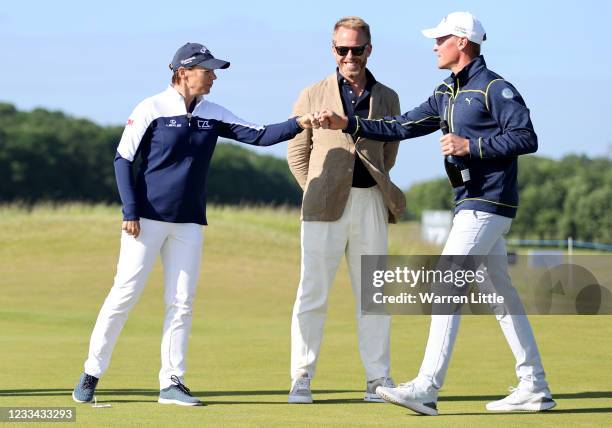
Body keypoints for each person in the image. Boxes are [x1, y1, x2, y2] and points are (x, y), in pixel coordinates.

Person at [317, 12, 556, 415]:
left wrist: (470, 147)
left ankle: (427, 387)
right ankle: (534, 384)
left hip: (488, 202)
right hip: (470, 201)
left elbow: (525, 136)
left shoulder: (494, 88)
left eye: (440, 39)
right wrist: (351, 123)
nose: (433, 46)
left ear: (462, 42)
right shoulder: (446, 91)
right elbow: (401, 125)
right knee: (500, 295)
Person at [72, 42, 316, 406]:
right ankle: (90, 374)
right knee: (124, 294)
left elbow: (260, 134)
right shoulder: (151, 108)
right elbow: (123, 160)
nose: (214, 76)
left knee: (182, 303)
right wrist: (130, 211)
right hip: (146, 221)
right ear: (183, 72)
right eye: (208, 70)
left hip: (189, 223)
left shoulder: (212, 113)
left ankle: (172, 382)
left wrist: (301, 122)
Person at [286, 16, 405, 404]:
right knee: (312, 294)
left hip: (371, 200)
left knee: (374, 296)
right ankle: (301, 376)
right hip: (321, 206)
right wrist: (316, 190)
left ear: (369, 50)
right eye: (342, 49)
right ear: (332, 49)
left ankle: (378, 379)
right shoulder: (311, 93)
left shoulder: (388, 97)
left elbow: (389, 152)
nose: (349, 56)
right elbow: (297, 152)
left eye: (357, 49)